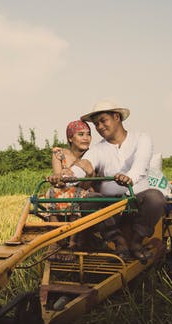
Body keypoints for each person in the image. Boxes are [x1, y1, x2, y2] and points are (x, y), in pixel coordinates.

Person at [65, 99, 166, 260]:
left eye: (103, 121)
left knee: (156, 198)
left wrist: (129, 177)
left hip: (136, 204)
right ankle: (118, 241)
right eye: (96, 124)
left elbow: (140, 165)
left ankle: (136, 241)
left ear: (117, 117)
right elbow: (81, 168)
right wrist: (64, 178)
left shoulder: (141, 138)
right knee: (88, 200)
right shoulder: (98, 149)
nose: (99, 127)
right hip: (109, 208)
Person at [46, 120, 92, 250]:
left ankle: (73, 241)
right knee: (52, 192)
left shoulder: (92, 156)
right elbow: (58, 178)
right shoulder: (59, 153)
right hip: (62, 189)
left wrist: (88, 174)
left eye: (88, 134)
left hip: (82, 190)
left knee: (77, 194)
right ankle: (56, 239)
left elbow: (87, 184)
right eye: (81, 134)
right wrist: (58, 177)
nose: (86, 138)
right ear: (70, 138)